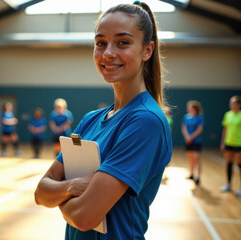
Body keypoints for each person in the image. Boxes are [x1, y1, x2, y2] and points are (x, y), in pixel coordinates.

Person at [34, 2, 172, 239]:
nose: (108, 52)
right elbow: (40, 192)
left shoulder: (145, 121)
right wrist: (73, 187)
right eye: (100, 43)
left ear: (147, 51)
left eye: (123, 42)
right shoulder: (90, 120)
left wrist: (61, 197)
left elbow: (84, 217)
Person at [220, 96, 241, 196]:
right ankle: (228, 184)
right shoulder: (227, 115)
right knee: (229, 163)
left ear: (238, 105)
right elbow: (225, 129)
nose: (231, 105)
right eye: (230, 103)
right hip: (229, 143)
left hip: (239, 143)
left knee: (240, 164)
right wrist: (223, 142)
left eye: (233, 103)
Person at [181, 100, 205, 185]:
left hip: (196, 141)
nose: (188, 108)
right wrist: (187, 136)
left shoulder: (200, 118)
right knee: (190, 158)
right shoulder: (186, 117)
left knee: (196, 158)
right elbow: (184, 128)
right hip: (188, 141)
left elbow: (200, 129)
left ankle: (198, 177)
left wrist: (191, 137)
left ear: (195, 108)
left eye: (190, 107)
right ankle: (191, 174)